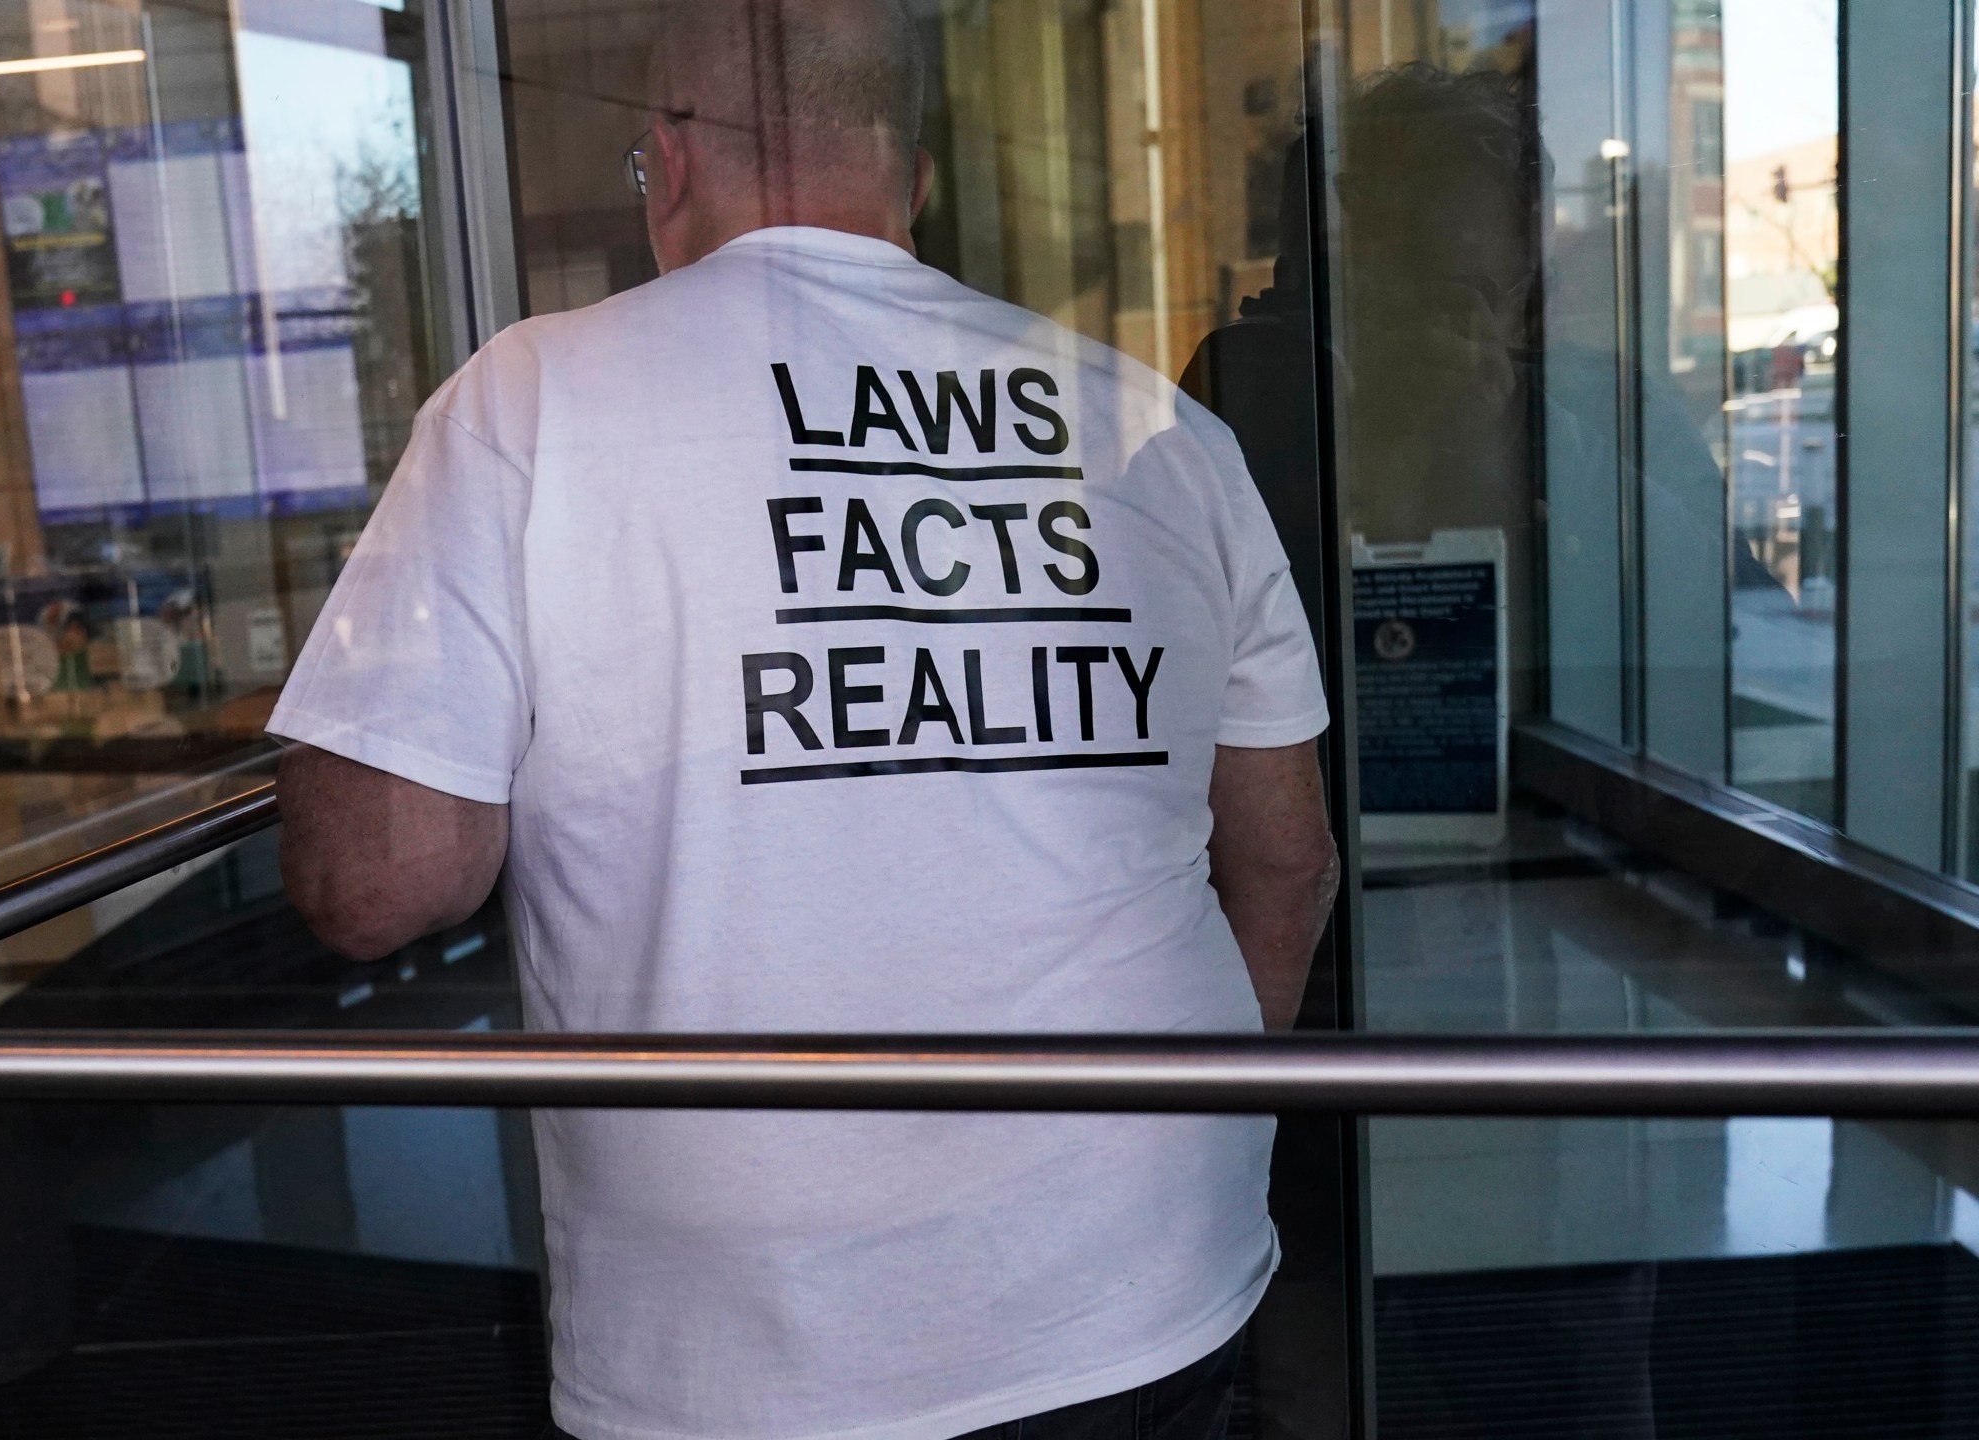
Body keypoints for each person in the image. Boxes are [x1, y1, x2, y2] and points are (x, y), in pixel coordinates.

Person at [268, 0, 1339, 1434]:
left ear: (671, 162)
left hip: (750, 1345)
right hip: (1151, 1278)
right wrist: (1175, 1144)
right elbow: (1287, 862)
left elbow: (380, 881)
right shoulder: (1154, 429)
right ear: (917, 183)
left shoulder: (526, 405)